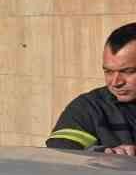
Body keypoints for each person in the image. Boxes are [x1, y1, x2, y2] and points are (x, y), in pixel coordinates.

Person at [46, 23, 136, 155]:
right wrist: (100, 155)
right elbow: (60, 154)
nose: (116, 82)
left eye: (128, 71)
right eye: (108, 72)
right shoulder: (89, 108)